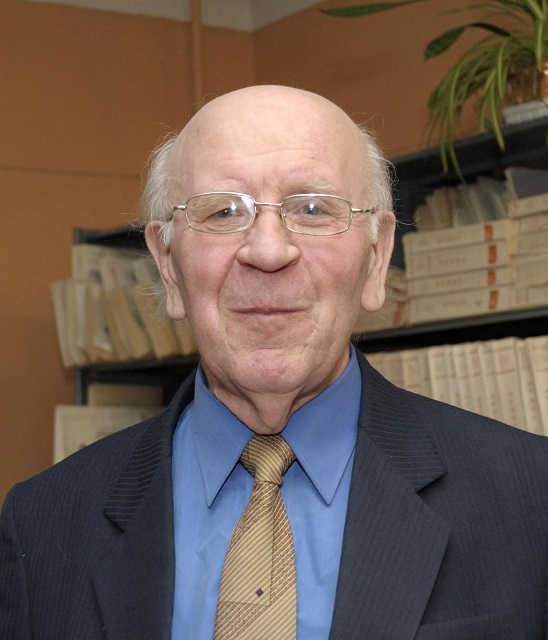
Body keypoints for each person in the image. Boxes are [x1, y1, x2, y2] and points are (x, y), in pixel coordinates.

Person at [1, 85, 548, 640]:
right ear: (167, 264)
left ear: (377, 256)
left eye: (312, 209)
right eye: (223, 211)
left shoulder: (533, 502)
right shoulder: (43, 524)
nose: (267, 252)